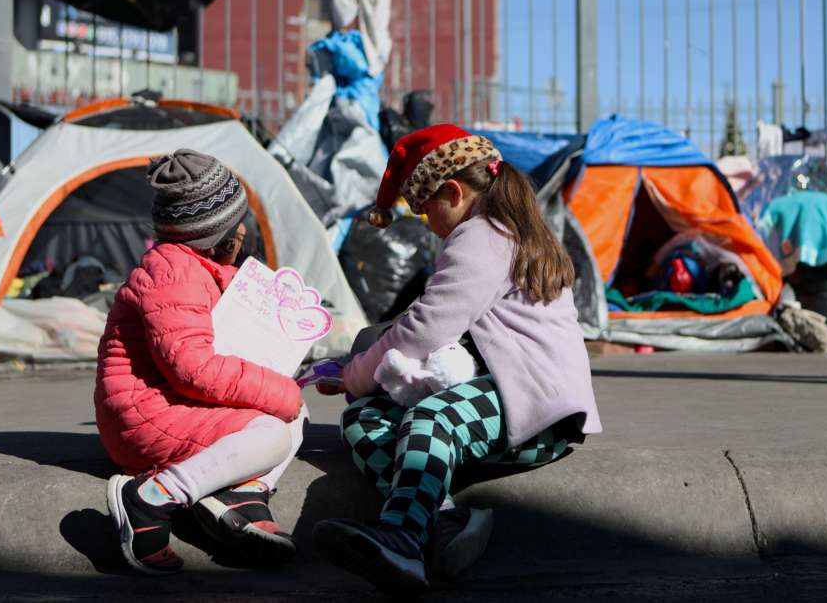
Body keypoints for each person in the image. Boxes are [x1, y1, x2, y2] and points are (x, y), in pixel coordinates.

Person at [313, 124, 602, 592]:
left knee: (432, 418)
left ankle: (403, 538)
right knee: (363, 419)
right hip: (498, 396)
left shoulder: (482, 235)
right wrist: (362, 383)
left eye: (425, 208)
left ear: (452, 190)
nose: (426, 222)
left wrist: (353, 374)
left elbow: (426, 329)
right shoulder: (500, 231)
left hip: (539, 406)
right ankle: (445, 517)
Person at [95, 149, 308, 574]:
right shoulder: (174, 275)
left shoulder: (196, 268)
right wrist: (279, 389)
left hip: (169, 405)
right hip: (146, 415)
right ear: (219, 232)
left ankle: (242, 494)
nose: (245, 232)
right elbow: (194, 369)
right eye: (238, 224)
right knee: (275, 431)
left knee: (294, 414)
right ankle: (152, 497)